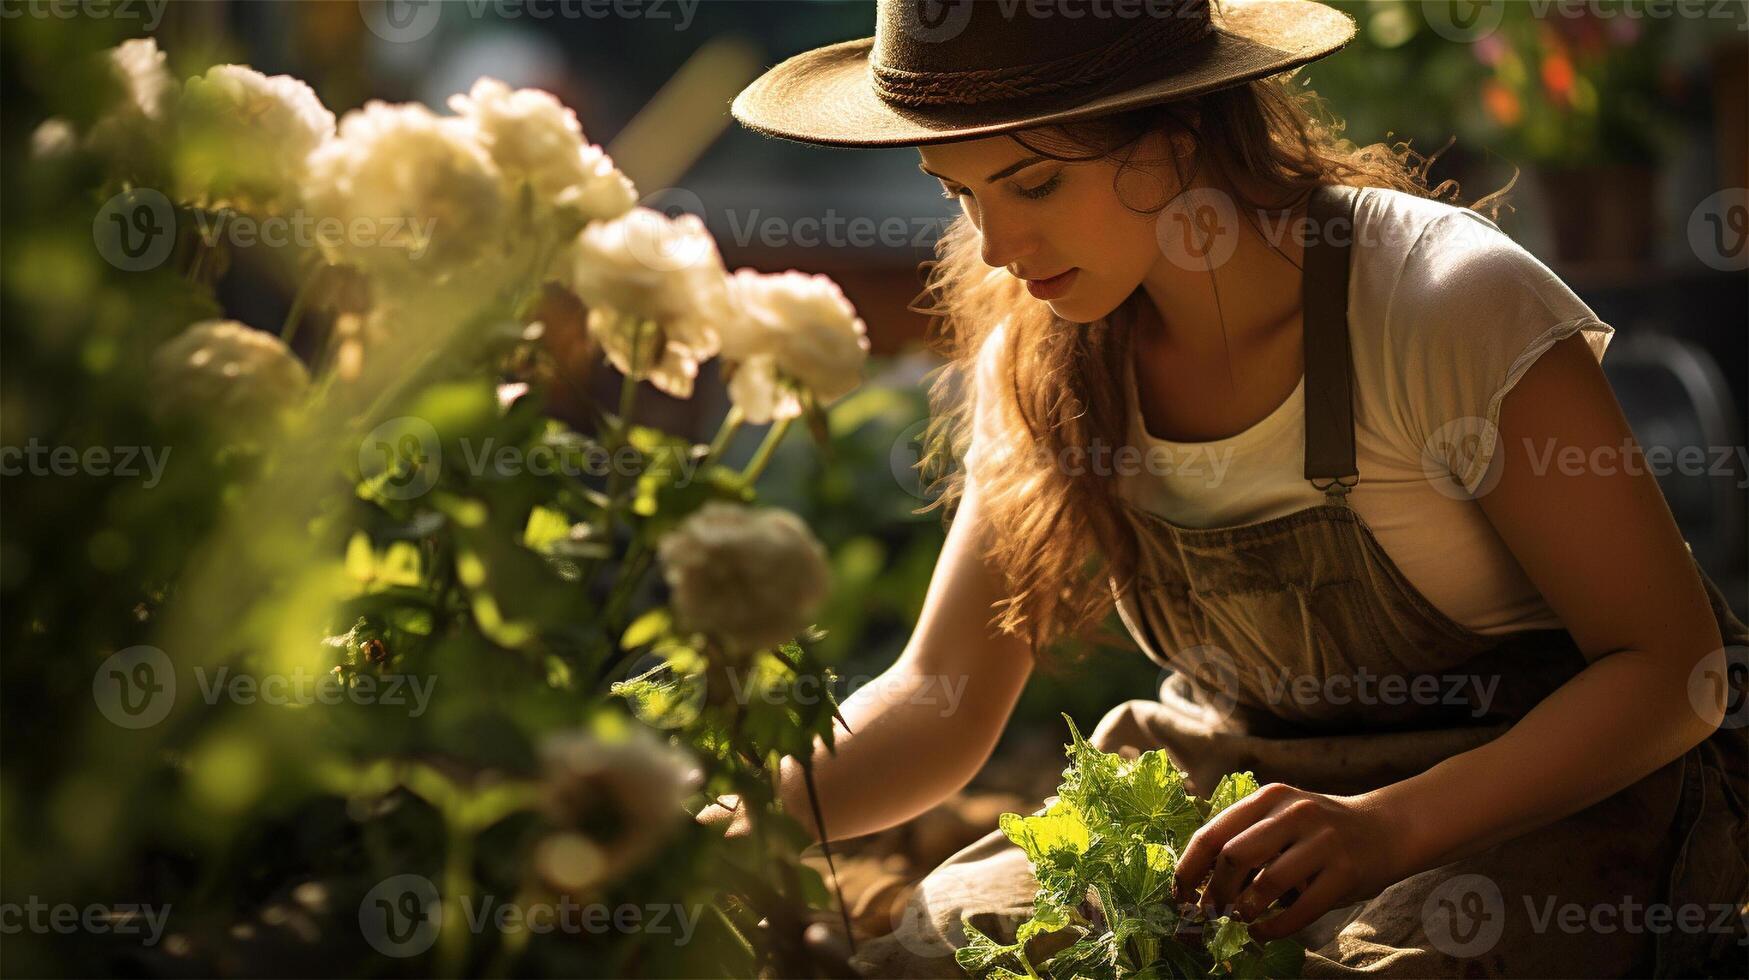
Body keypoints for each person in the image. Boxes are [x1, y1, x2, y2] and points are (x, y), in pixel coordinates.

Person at [706, 1, 1749, 976]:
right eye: (960, 193)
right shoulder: (1042, 353)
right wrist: (741, 816)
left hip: (1531, 799)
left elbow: (1672, 670)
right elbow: (942, 698)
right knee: (944, 949)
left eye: (1031, 184)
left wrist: (1385, 827)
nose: (997, 246)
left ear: (1177, 138)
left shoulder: (1445, 304)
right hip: (1226, 808)